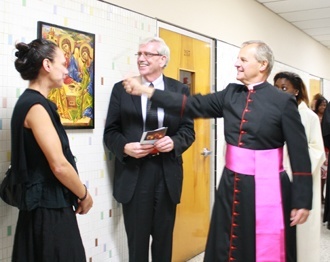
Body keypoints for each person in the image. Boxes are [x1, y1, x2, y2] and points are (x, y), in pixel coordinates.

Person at [124, 40, 312, 262]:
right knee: (227, 242)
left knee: (260, 247)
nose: (237, 64)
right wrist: (148, 92)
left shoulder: (283, 102)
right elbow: (191, 104)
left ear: (262, 65)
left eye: (243, 59)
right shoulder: (230, 94)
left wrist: (302, 200)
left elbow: (300, 153)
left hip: (268, 185)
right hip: (231, 184)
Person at [103, 37, 195, 261]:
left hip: (166, 174)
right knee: (137, 243)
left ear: (163, 60)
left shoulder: (179, 90)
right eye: (139, 54)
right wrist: (125, 147)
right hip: (134, 175)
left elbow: (188, 131)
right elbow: (110, 132)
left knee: (164, 242)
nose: (141, 59)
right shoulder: (122, 90)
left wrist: (174, 142)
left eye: (147, 54)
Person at [11, 38, 93, 261]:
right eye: (63, 63)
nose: (67, 69)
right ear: (47, 65)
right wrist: (84, 194)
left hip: (40, 208)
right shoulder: (36, 107)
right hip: (48, 211)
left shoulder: (29, 103)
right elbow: (59, 165)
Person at [274, 71, 325, 262]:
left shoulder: (308, 117)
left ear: (296, 91)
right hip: (275, 176)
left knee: (300, 234)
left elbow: (316, 150)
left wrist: (292, 158)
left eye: (284, 88)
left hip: (299, 179)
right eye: (276, 87)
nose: (279, 91)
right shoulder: (272, 111)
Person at [313, 96, 329, 203]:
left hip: (327, 149)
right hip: (319, 148)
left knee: (325, 174)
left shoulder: (327, 117)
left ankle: (323, 195)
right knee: (320, 174)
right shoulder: (314, 117)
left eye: (325, 105)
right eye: (321, 105)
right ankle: (319, 196)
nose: (323, 107)